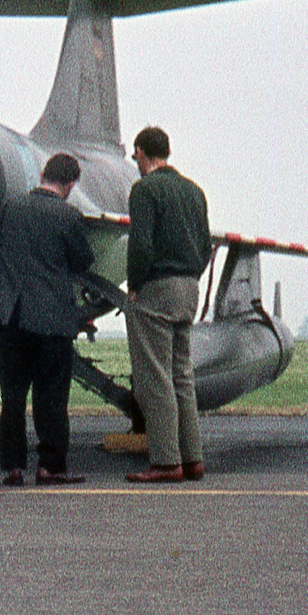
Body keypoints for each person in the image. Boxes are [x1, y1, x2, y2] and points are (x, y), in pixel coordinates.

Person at [0, 153, 95, 486]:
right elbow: (82, 261)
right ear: (70, 184)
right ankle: (50, 466)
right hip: (52, 320)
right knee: (51, 397)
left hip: (13, 315)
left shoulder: (11, 208)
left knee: (12, 396)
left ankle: (12, 466)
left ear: (42, 174)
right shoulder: (68, 216)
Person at [123, 127, 211, 484]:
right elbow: (205, 245)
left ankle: (165, 461)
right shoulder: (194, 191)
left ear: (142, 152)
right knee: (181, 376)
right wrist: (190, 275)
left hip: (157, 288)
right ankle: (192, 459)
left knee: (153, 377)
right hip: (189, 286)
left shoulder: (144, 190)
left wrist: (135, 285)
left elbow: (141, 244)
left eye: (136, 157)